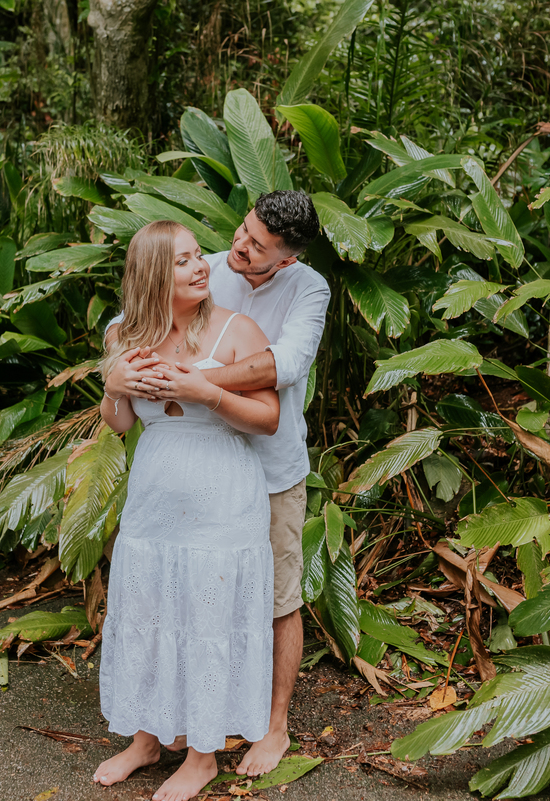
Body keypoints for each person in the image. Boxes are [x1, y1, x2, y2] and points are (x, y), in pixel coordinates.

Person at [105, 190, 327, 777]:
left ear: (285, 258)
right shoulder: (204, 266)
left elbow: (284, 365)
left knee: (274, 600)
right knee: (162, 601)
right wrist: (117, 376)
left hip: (264, 470)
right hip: (164, 488)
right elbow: (135, 315)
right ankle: (158, 730)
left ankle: (271, 727)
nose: (237, 248)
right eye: (243, 231)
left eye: (257, 246)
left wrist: (197, 384)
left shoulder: (306, 290)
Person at [94, 220, 281, 801]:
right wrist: (114, 386)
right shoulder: (124, 335)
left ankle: (202, 757)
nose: (202, 266)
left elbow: (269, 419)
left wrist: (207, 392)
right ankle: (146, 740)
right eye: (183, 260)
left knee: (208, 621)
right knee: (149, 610)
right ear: (153, 274)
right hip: (155, 498)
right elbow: (121, 424)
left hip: (222, 497)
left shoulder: (236, 329)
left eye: (199, 255)